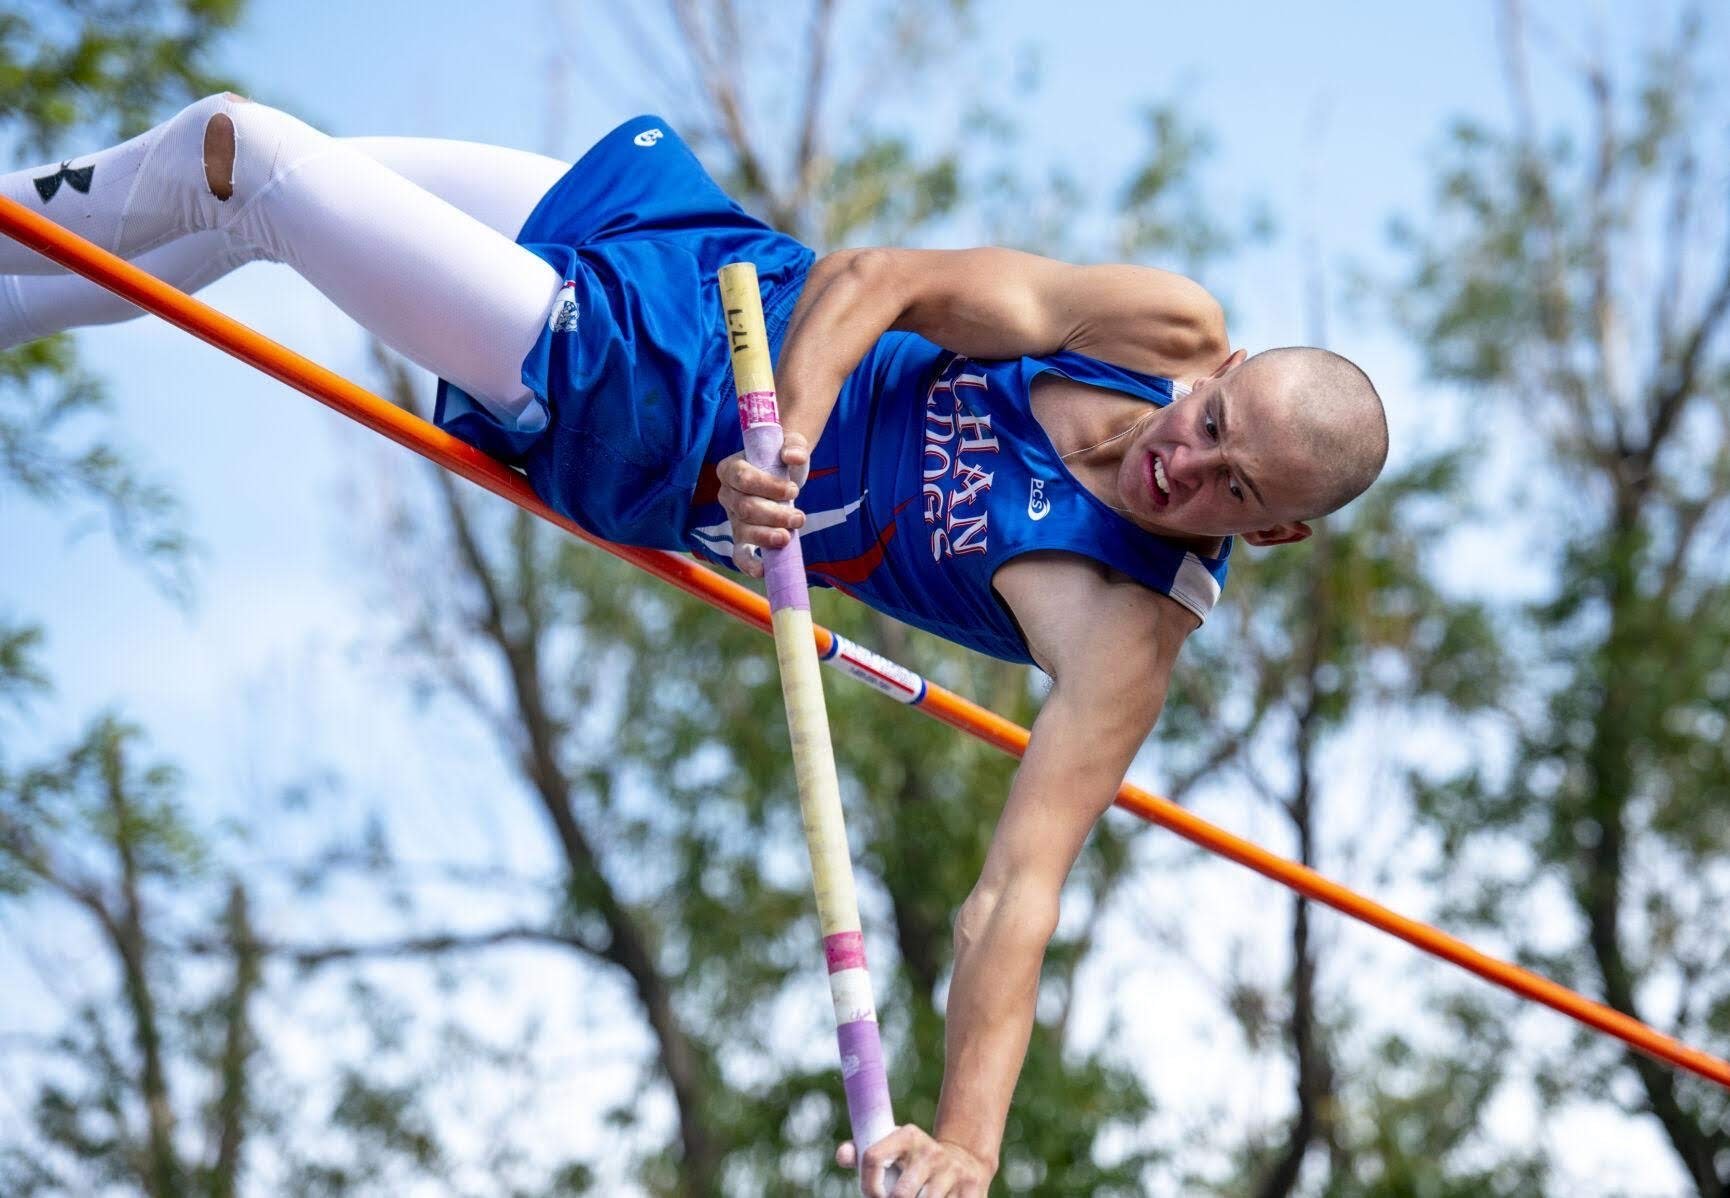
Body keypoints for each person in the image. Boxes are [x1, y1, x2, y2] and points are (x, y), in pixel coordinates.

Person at [0, 95, 1387, 1198]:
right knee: (210, 178)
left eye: (1232, 490)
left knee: (258, 162)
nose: (1182, 467)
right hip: (706, 263)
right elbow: (876, 276)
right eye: (1211, 423)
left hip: (645, 396)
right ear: (1220, 371)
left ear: (1266, 538)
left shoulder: (1122, 628)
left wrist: (966, 1140)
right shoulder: (1162, 330)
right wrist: (779, 433)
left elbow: (1013, 897)